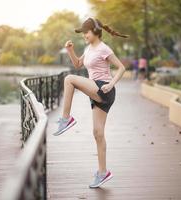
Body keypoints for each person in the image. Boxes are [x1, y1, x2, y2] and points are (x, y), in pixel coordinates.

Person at [52, 17, 129, 188]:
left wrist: (111, 83)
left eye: (86, 32)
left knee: (70, 79)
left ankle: (66, 118)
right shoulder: (89, 48)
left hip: (103, 89)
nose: (84, 35)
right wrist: (70, 50)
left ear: (95, 31)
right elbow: (79, 64)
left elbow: (121, 67)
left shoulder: (104, 49)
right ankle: (103, 172)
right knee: (98, 133)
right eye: (83, 33)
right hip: (96, 91)